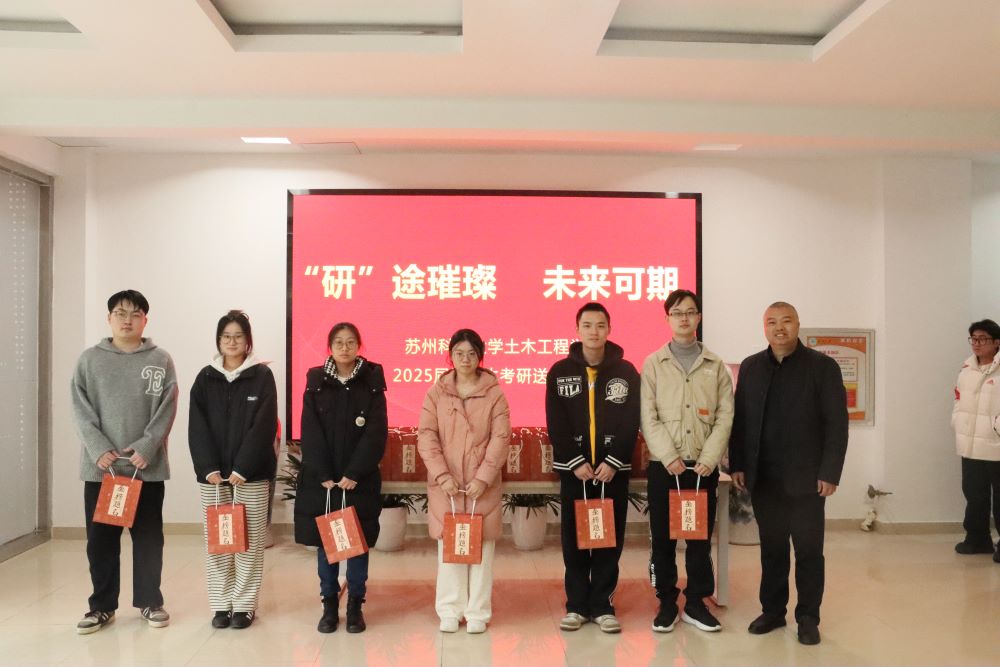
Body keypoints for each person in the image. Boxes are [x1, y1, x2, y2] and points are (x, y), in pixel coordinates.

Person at [728, 302, 848, 646]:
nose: (779, 328)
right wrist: (738, 464)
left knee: (808, 552)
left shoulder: (822, 367)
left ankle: (808, 617)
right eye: (771, 322)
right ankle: (773, 611)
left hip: (807, 480)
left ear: (798, 324)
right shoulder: (751, 367)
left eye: (786, 321)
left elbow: (836, 424)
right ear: (764, 327)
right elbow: (741, 420)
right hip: (765, 478)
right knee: (772, 549)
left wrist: (830, 472)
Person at [71, 289, 178, 634]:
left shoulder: (160, 359)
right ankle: (101, 606)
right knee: (100, 542)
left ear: (145, 320)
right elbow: (80, 409)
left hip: (144, 469)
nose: (127, 320)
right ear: (109, 318)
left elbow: (167, 408)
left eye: (135, 314)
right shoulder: (90, 360)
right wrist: (98, 449)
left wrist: (146, 447)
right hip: (102, 470)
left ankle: (150, 601)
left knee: (149, 540)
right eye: (120, 313)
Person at [640, 289, 733, 633]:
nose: (684, 318)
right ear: (667, 318)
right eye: (677, 313)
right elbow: (648, 416)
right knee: (663, 540)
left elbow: (725, 415)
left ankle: (696, 602)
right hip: (665, 468)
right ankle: (666, 602)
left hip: (702, 468)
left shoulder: (715, 365)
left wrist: (710, 458)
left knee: (699, 540)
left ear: (699, 318)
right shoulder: (653, 364)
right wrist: (668, 456)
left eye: (690, 312)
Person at [546, 302, 640, 634]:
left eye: (600, 325)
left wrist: (614, 461)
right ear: (577, 330)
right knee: (574, 541)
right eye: (587, 325)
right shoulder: (559, 371)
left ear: (609, 329)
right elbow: (556, 421)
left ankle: (602, 605)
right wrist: (576, 462)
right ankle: (576, 605)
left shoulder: (626, 372)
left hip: (612, 472)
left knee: (608, 540)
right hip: (575, 472)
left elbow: (632, 420)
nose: (594, 332)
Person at [294, 322, 387, 634]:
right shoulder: (316, 381)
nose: (344, 347)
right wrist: (322, 472)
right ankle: (329, 604)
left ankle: (355, 604)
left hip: (359, 481)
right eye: (338, 342)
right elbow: (310, 429)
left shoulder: (372, 382)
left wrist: (354, 472)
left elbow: (376, 432)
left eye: (350, 342)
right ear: (330, 347)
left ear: (358, 346)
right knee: (327, 544)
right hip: (325, 482)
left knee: (357, 545)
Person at [417, 329, 511, 634]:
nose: (465, 359)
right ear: (450, 356)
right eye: (459, 353)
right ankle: (449, 609)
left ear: (480, 356)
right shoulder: (436, 393)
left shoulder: (495, 394)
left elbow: (501, 438)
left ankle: (478, 612)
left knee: (482, 548)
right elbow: (427, 436)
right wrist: (442, 475)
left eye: (471, 353)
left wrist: (483, 478)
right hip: (447, 486)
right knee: (449, 547)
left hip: (481, 486)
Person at [188, 310, 278, 629]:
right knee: (219, 542)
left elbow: (264, 426)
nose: (232, 341)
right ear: (218, 340)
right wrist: (208, 468)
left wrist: (243, 467)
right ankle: (220, 605)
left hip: (250, 476)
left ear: (247, 341)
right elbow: (197, 427)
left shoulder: (262, 376)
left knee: (249, 543)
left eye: (238, 336)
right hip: (213, 479)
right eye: (226, 336)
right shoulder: (205, 377)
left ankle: (243, 606)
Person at [951, 319, 1000, 561]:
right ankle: (977, 539)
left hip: (996, 444)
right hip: (969, 444)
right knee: (974, 494)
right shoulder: (966, 369)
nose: (977, 344)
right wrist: (956, 421)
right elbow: (958, 399)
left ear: (997, 342)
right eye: (973, 339)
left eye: (983, 339)